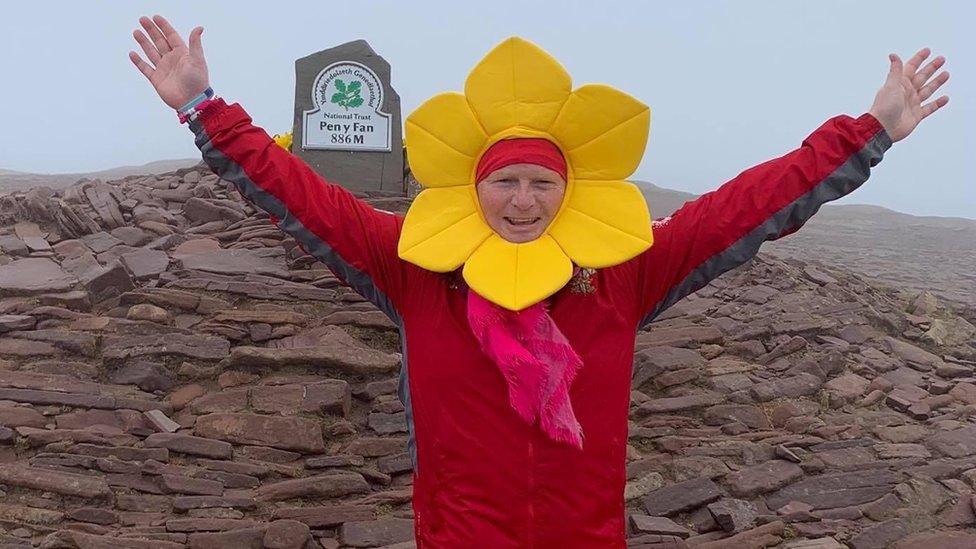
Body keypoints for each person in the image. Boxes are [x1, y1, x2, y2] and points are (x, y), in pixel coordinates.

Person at [129, 14, 949, 548]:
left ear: (569, 192)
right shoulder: (412, 267)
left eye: (541, 183)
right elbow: (299, 194)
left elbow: (748, 207)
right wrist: (205, 108)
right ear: (472, 189)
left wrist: (869, 132)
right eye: (505, 182)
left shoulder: (626, 273)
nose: (522, 200)